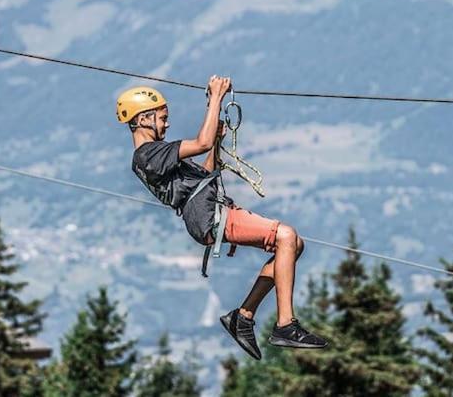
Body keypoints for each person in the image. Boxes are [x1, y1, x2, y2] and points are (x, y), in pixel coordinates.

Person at [116, 76, 328, 360]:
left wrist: (216, 140)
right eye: (162, 118)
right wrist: (215, 97)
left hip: (214, 211)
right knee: (285, 235)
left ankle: (242, 316)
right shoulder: (148, 155)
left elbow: (206, 168)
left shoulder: (158, 154)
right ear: (143, 119)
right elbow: (200, 143)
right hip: (209, 216)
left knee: (293, 244)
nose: (166, 124)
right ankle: (285, 325)